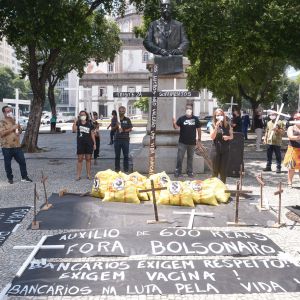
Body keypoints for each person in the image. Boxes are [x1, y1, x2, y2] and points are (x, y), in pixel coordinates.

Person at [0, 106, 32, 184]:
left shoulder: (15, 120)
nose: (9, 112)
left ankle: (24, 177)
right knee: (8, 164)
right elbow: (1, 133)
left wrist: (19, 130)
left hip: (17, 146)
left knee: (22, 161)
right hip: (7, 146)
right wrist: (13, 128)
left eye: (10, 111)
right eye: (7, 111)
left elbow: (20, 130)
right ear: (4, 113)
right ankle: (10, 178)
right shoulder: (1, 122)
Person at [172, 104, 201, 178]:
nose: (189, 109)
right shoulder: (182, 118)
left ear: (192, 110)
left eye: (190, 108)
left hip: (192, 143)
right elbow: (176, 127)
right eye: (187, 108)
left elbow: (199, 129)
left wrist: (199, 139)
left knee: (190, 158)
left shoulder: (195, 119)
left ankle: (190, 172)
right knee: (179, 157)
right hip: (182, 142)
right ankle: (178, 172)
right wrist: (174, 122)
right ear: (185, 110)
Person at [209, 108, 233, 183]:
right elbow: (212, 137)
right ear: (215, 116)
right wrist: (216, 127)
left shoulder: (227, 125)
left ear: (223, 115)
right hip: (216, 149)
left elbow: (232, 136)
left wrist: (228, 137)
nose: (219, 116)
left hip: (225, 150)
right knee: (215, 171)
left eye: (221, 115)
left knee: (223, 171)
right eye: (217, 115)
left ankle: (222, 188)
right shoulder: (212, 125)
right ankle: (213, 188)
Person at [72, 110, 96, 180]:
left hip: (89, 143)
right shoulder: (78, 123)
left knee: (88, 159)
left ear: (86, 116)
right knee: (80, 159)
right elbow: (74, 130)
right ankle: (78, 175)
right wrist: (74, 122)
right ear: (79, 116)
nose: (83, 116)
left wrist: (94, 143)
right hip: (80, 144)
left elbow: (92, 134)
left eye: (84, 115)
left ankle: (88, 174)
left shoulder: (89, 124)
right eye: (81, 115)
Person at [113, 106, 132, 173]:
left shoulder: (127, 119)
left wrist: (123, 130)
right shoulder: (115, 119)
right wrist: (116, 126)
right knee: (117, 156)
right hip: (117, 140)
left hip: (125, 140)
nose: (122, 112)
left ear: (125, 111)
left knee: (126, 156)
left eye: (123, 111)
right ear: (118, 111)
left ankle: (126, 170)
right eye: (120, 111)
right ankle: (117, 170)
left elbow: (130, 128)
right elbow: (112, 129)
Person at [283, 112, 300, 187]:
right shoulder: (291, 127)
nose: (297, 119)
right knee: (291, 167)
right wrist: (298, 137)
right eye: (296, 118)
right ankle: (289, 182)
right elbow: (290, 136)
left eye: (298, 118)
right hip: (293, 149)